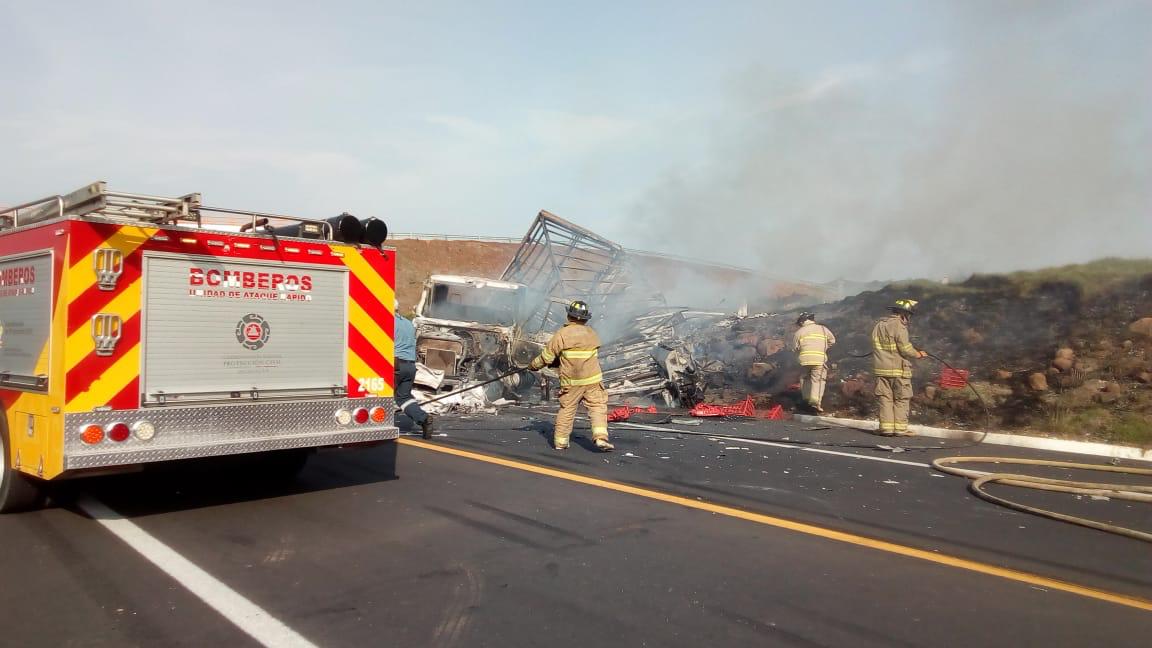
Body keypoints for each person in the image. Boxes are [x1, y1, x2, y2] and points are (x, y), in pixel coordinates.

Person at [528, 300, 613, 451]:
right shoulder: (592, 333)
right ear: (586, 318)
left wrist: (533, 365)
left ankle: (561, 443)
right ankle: (600, 438)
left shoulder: (562, 334)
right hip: (593, 380)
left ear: (569, 316)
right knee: (597, 407)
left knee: (567, 409)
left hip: (572, 382)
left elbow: (547, 357)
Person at [871, 299, 927, 436]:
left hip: (881, 369)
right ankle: (900, 429)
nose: (908, 319)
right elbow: (905, 349)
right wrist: (918, 354)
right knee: (902, 398)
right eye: (908, 315)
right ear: (903, 314)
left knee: (885, 398)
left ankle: (886, 429)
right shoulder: (899, 326)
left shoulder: (878, 325)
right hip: (898, 369)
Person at [394, 300, 434, 439]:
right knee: (404, 397)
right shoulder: (407, 323)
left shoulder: (388, 322)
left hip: (395, 365)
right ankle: (423, 419)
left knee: (378, 396)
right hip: (410, 365)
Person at [791, 312, 836, 413]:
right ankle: (815, 402)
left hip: (804, 360)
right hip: (819, 359)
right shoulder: (823, 329)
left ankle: (806, 399)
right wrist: (822, 347)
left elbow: (794, 348)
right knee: (818, 380)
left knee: (804, 378)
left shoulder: (799, 332)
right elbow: (832, 341)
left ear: (802, 321)